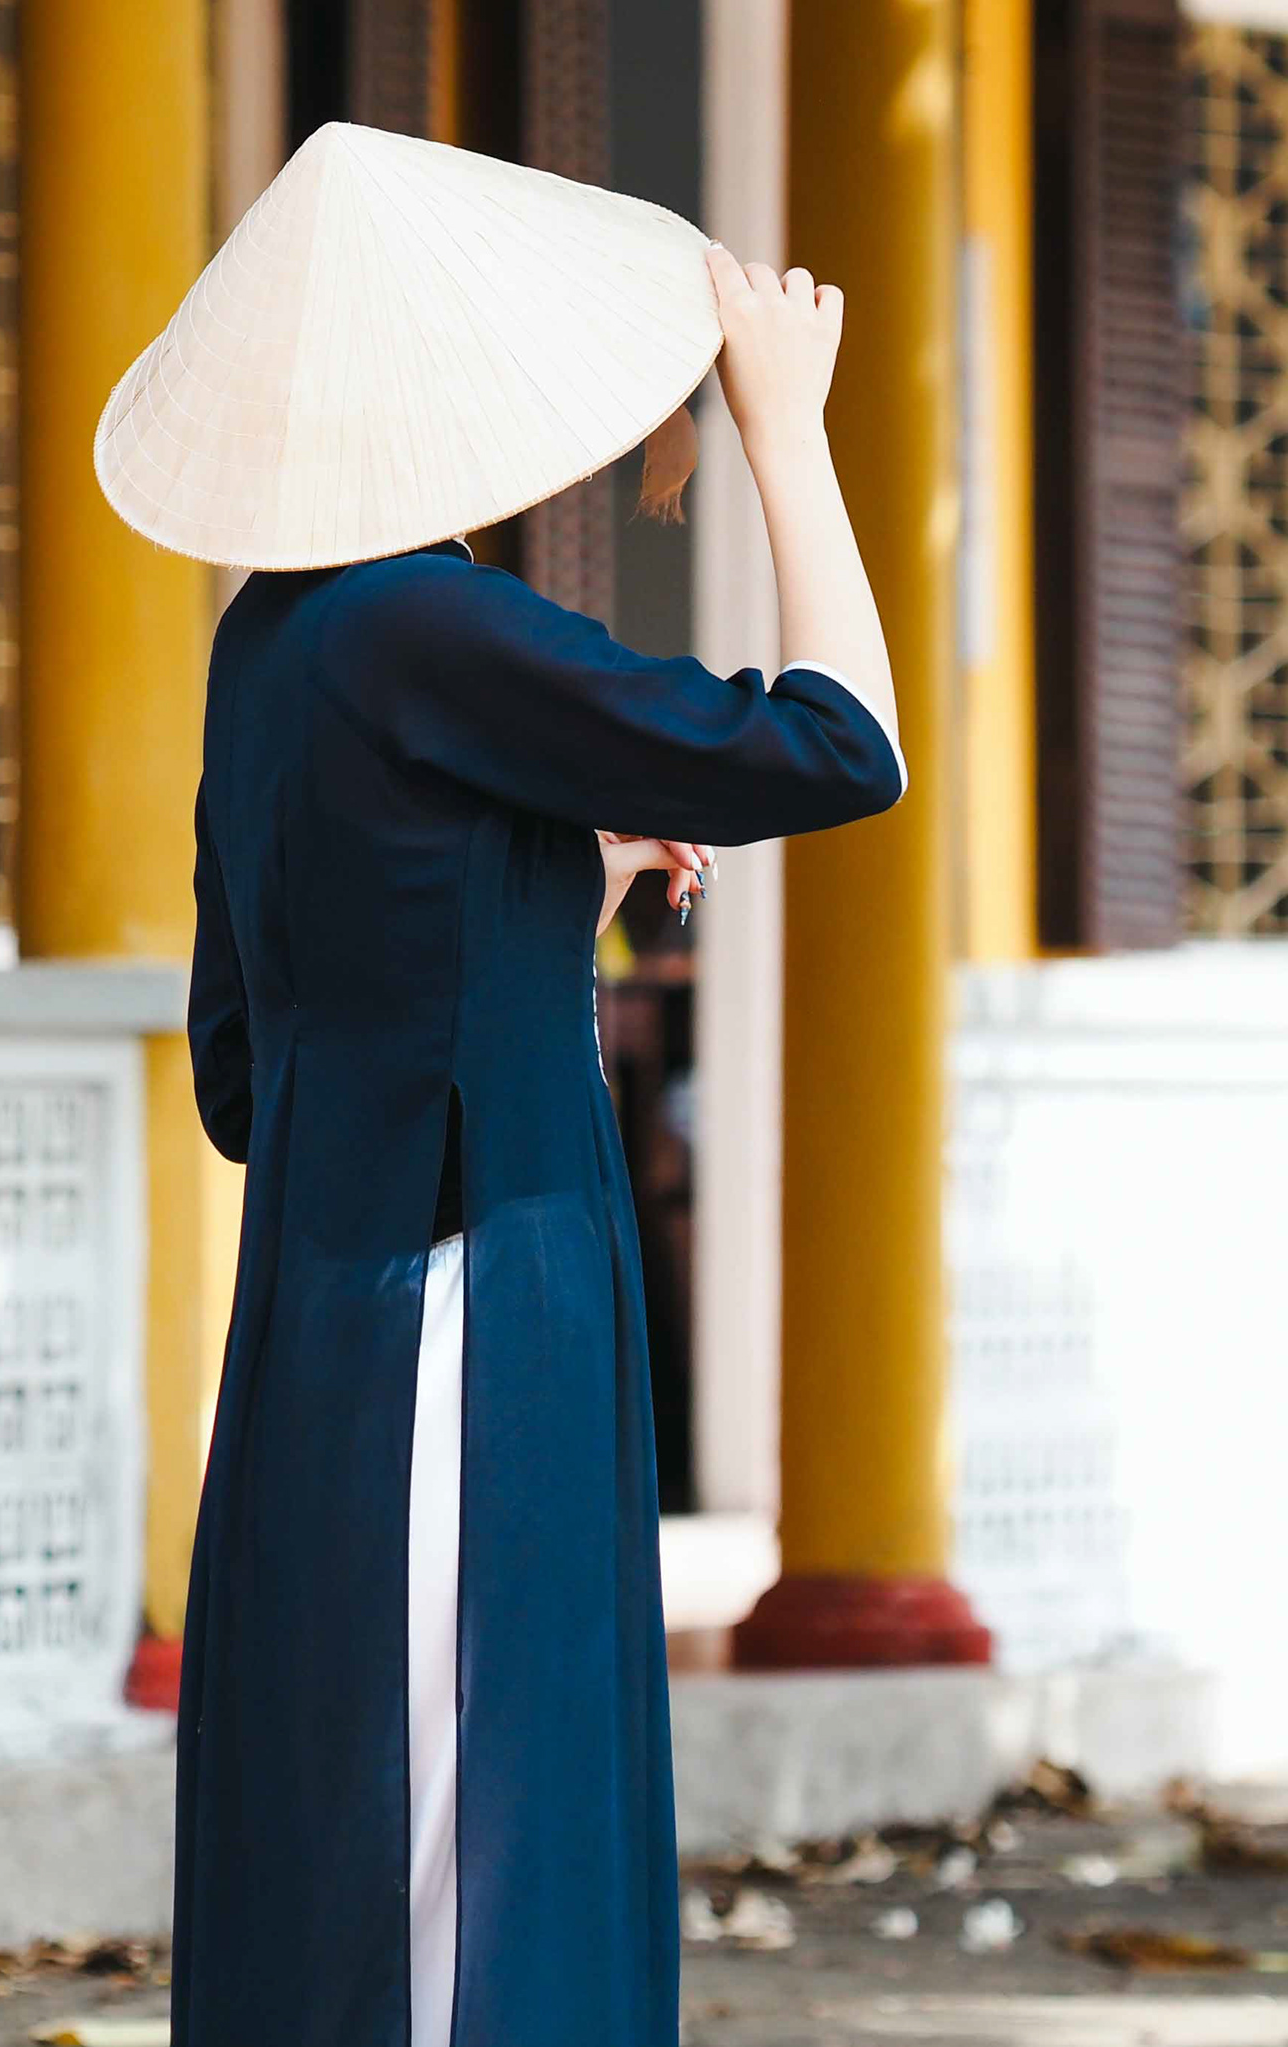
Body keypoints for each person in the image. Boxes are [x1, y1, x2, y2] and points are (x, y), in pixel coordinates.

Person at [92, 122, 909, 2047]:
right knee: (474, 1821)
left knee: (345, 1815)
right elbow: (839, 744)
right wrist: (789, 434)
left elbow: (249, 1060)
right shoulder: (432, 623)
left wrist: (559, 879)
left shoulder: (271, 645)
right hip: (474, 1288)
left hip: (323, 1306)